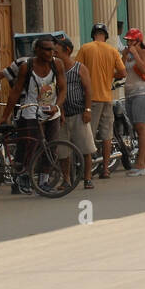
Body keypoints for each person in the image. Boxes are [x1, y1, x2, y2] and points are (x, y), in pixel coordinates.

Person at [11, 35, 66, 193]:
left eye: (53, 50)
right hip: (30, 111)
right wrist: (5, 114)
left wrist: (57, 106)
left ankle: (44, 180)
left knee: (51, 147)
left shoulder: (57, 65)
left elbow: (62, 89)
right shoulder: (26, 67)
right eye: (47, 49)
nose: (51, 52)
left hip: (51, 112)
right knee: (31, 146)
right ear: (37, 50)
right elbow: (15, 92)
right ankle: (24, 177)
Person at [75, 23, 126, 180]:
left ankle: (87, 172)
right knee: (106, 135)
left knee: (88, 135)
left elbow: (77, 70)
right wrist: (110, 75)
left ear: (93, 34)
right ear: (105, 35)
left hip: (91, 99)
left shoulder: (85, 48)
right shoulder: (112, 50)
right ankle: (105, 169)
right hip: (107, 98)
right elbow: (123, 72)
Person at [56, 37, 96, 189]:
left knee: (86, 148)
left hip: (79, 113)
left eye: (57, 51)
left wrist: (87, 110)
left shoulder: (79, 68)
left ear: (67, 51)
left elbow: (88, 90)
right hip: (62, 116)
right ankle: (66, 179)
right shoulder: (56, 69)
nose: (55, 54)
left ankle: (87, 178)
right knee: (63, 151)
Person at [122, 28, 145, 175]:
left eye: (130, 40)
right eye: (127, 40)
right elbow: (121, 71)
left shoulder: (144, 52)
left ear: (138, 41)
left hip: (142, 94)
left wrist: (135, 53)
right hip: (129, 94)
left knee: (141, 129)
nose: (128, 43)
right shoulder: (127, 54)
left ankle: (140, 164)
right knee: (139, 130)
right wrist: (123, 56)